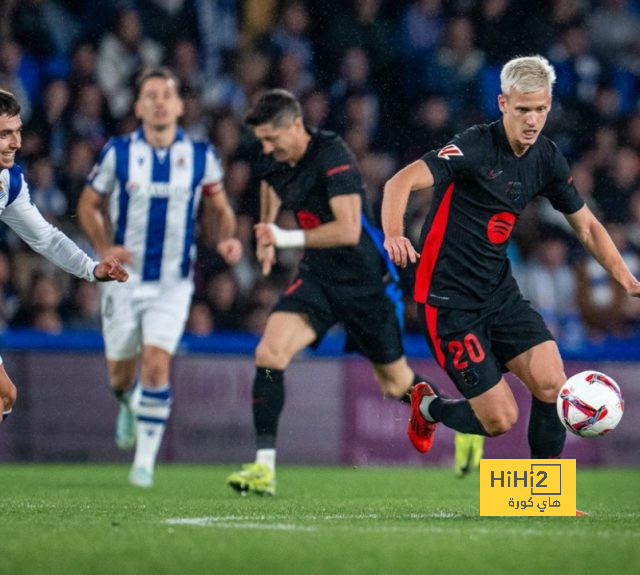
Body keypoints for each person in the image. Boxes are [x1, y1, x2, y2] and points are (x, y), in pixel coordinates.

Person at [381, 55, 640, 501]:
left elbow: (588, 226)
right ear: (503, 103)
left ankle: (544, 499)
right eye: (523, 109)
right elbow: (398, 183)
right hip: (449, 304)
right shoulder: (474, 147)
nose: (533, 119)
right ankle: (427, 405)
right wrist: (392, 234)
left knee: (551, 382)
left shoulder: (546, 158)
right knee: (500, 420)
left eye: (541, 109)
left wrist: (626, 277)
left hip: (500, 294)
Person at [225, 88, 481, 496]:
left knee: (396, 384)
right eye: (263, 142)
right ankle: (264, 467)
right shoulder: (275, 156)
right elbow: (271, 184)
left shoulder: (332, 156)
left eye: (272, 139)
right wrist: (265, 232)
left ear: (296, 125)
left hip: (365, 283)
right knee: (269, 355)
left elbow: (346, 230)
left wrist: (283, 236)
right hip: (317, 279)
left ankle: (463, 421)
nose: (267, 149)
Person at [77, 67, 242, 488]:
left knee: (155, 363)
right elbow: (88, 205)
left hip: (173, 281)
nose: (159, 101)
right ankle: (126, 402)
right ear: (138, 106)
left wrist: (225, 239)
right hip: (122, 280)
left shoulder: (202, 156)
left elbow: (220, 209)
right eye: (150, 95)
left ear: (180, 105)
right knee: (119, 377)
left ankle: (143, 464)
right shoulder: (118, 152)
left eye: (167, 94)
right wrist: (103, 247)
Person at [0, 89, 128, 426]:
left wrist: (91, 268)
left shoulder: (9, 182)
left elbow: (45, 238)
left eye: (18, 131)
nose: (16, 143)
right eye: (5, 134)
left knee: (4, 395)